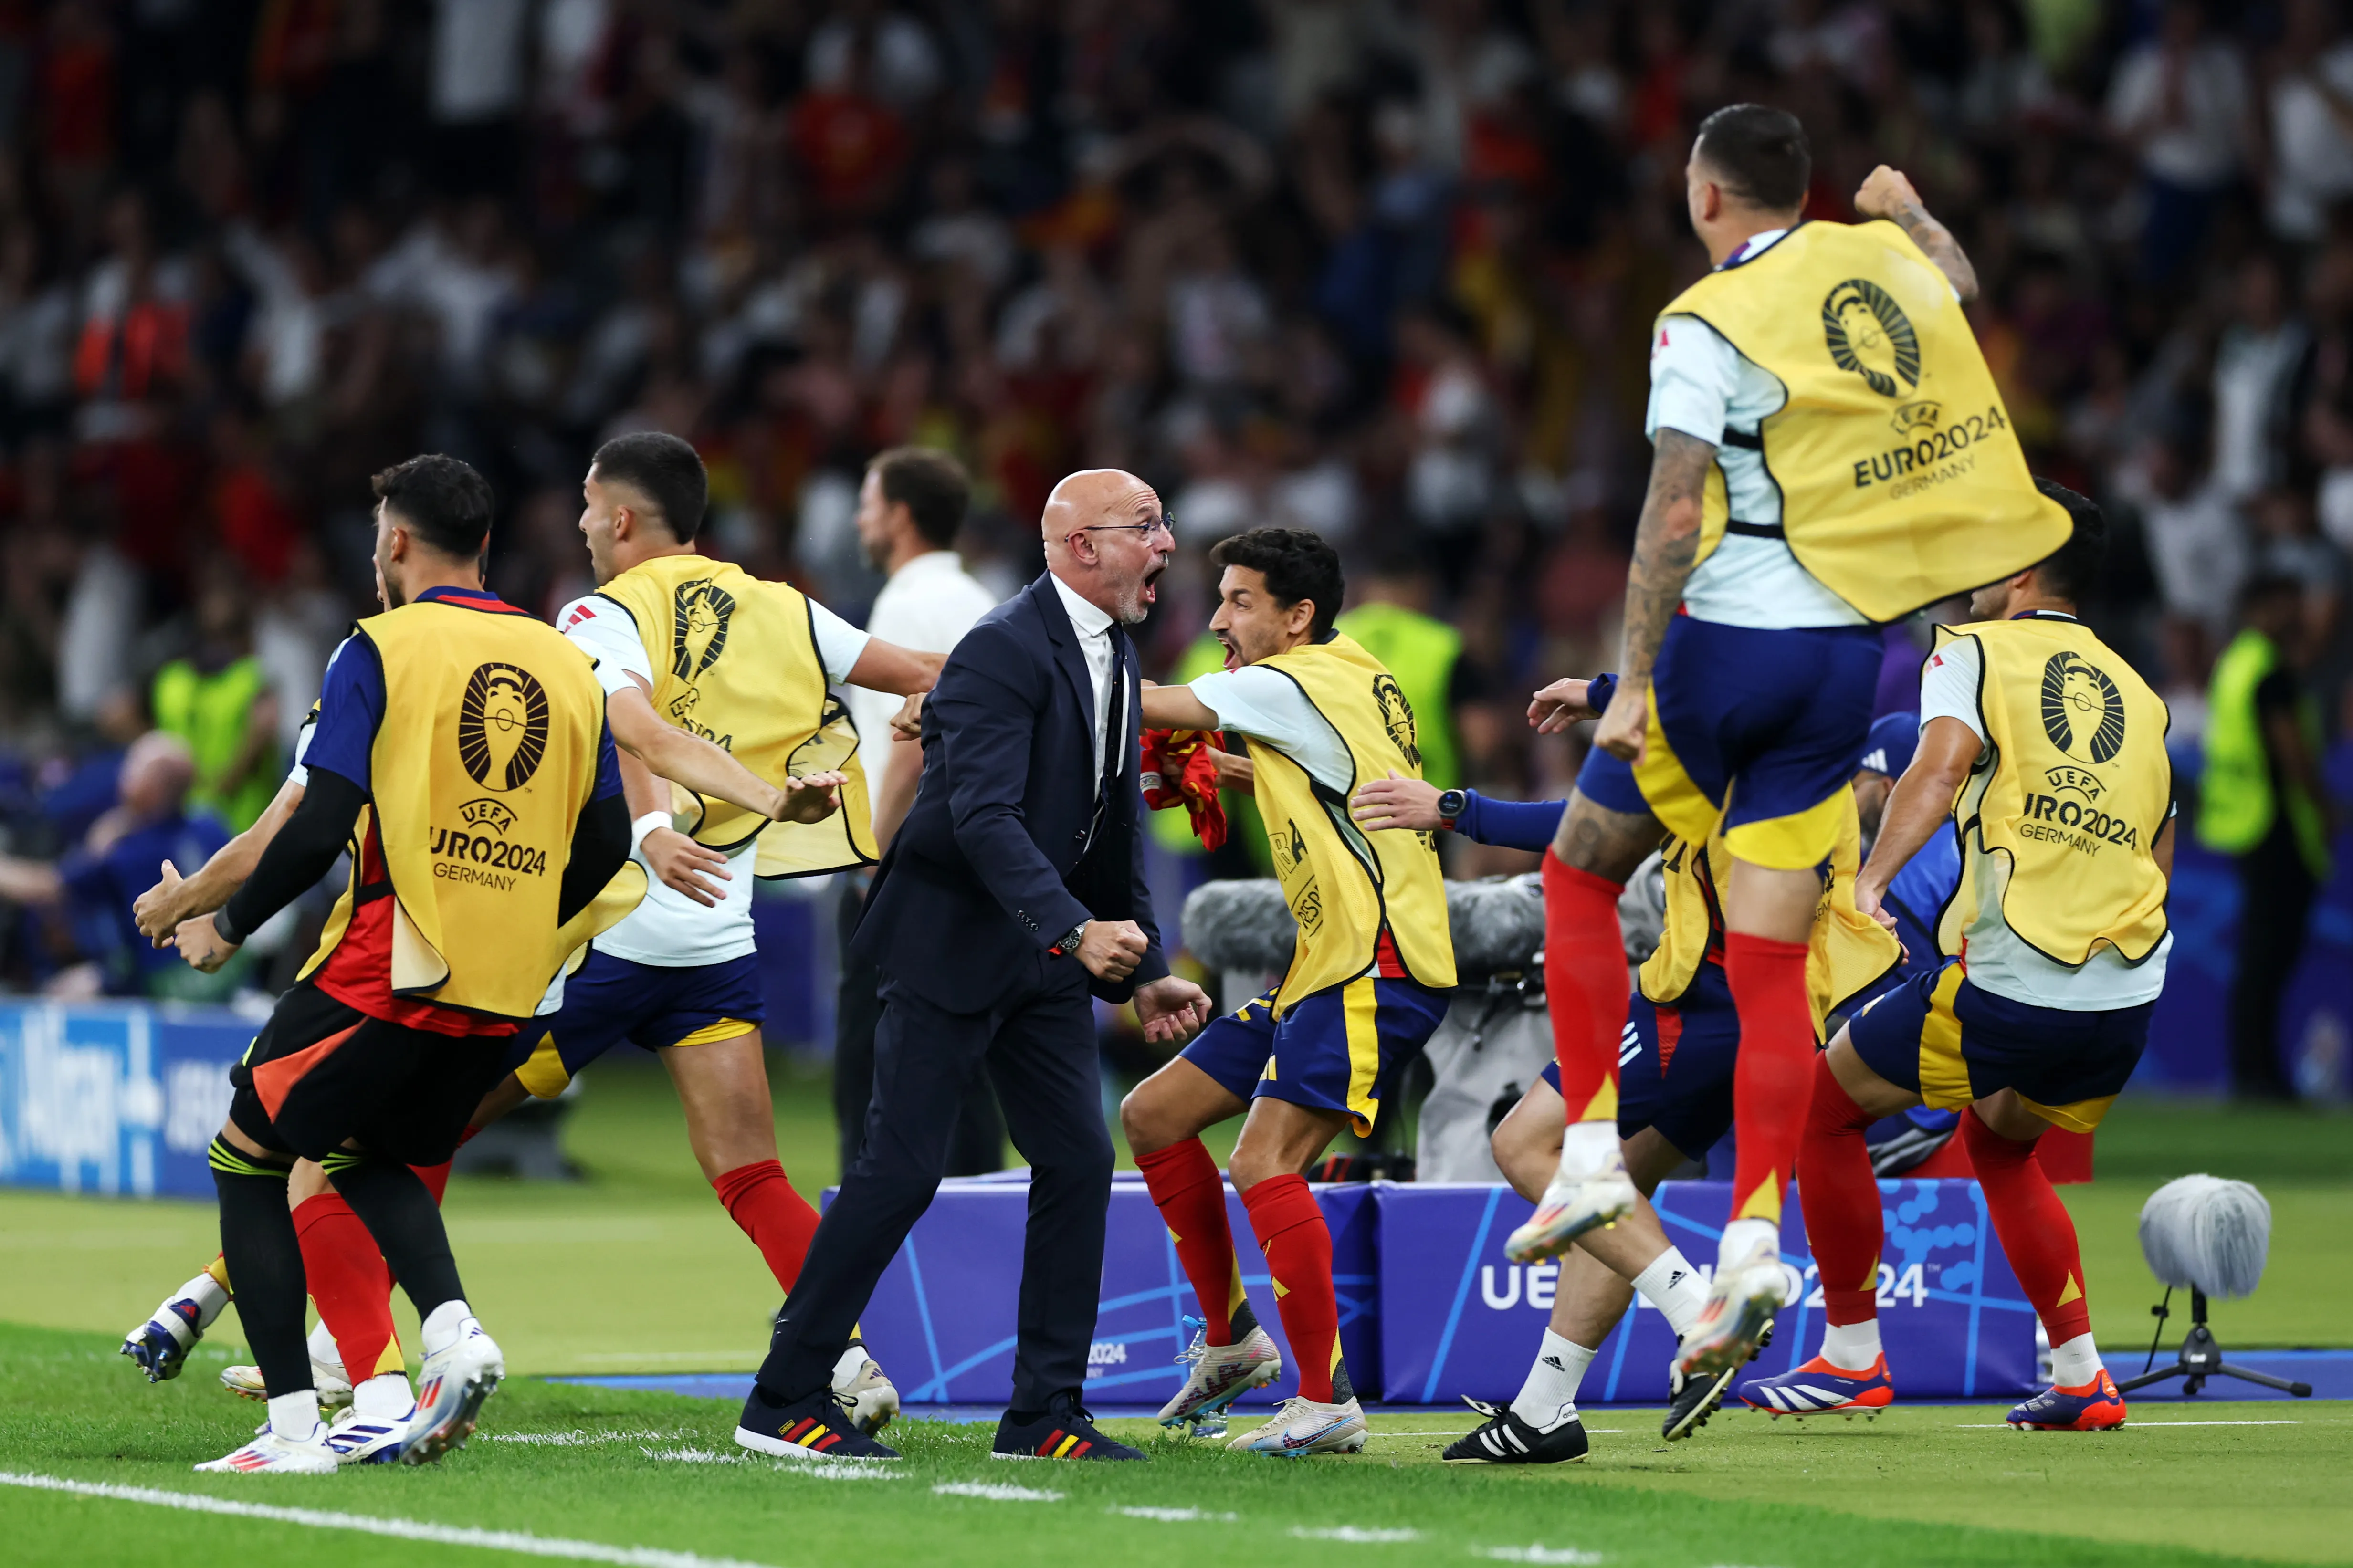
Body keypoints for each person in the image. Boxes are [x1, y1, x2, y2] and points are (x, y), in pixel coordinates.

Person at [120, 433, 940, 1443]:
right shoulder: (782, 603)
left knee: (354, 1140)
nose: (584, 524)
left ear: (623, 518)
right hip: (713, 935)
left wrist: (644, 838)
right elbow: (931, 677)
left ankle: (350, 1359)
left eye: (592, 507)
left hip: (583, 934)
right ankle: (842, 1354)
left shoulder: (589, 618)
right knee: (750, 1170)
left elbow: (634, 734)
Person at [1514, 103, 2071, 1391]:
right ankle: (1757, 1236)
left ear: (1706, 198)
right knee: (1772, 966)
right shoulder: (1871, 263)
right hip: (1838, 660)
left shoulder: (1703, 320)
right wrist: (1909, 209)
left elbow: (1667, 505)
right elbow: (1957, 283)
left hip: (1728, 638)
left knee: (1581, 872)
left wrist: (1634, 678)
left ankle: (1590, 1156)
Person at [164, 454, 636, 1474]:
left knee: (244, 1159)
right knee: (366, 1155)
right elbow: (605, 842)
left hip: (388, 964)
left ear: (394, 543)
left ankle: (296, 1431)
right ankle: (455, 1328)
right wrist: (512, 910)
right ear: (487, 547)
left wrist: (233, 921)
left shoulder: (375, 646)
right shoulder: (565, 662)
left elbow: (318, 820)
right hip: (506, 987)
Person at [733, 468, 1211, 1464]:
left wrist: (1143, 967)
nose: (1166, 544)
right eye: (1146, 527)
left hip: (1039, 953)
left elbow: (1111, 826)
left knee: (1077, 1161)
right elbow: (979, 818)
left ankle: (1042, 1412)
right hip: (949, 941)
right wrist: (1076, 933)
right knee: (900, 1170)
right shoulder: (999, 649)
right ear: (1081, 546)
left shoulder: (1112, 653)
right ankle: (781, 1394)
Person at [1349, 674, 1900, 1460]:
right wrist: (1607, 691)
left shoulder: (1722, 759)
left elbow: (1586, 829)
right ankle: (1544, 1411)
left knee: (1526, 1147)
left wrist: (1449, 807)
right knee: (1618, 1199)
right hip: (1771, 1010)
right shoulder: (1798, 745)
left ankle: (1698, 1311)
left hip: (1698, 1004)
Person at [1741, 484, 2172, 1432]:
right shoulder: (2139, 693)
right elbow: (2158, 840)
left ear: (2020, 569)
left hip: (2017, 976)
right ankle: (2081, 1374)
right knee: (2000, 1141)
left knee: (1820, 1108)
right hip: (2128, 987)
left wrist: (1868, 880)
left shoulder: (1969, 651)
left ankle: (1851, 1355)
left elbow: (1934, 766)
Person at [1126, 527, 1458, 1457]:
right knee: (1154, 1114)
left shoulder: (1282, 681)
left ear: (1295, 614)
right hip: (1330, 962)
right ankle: (1232, 1342)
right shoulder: (1346, 671)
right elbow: (1328, 771)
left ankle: (1326, 1400)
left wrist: (994, 679)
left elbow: (1140, 706)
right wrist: (1233, 766)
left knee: (1264, 1164)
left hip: (1371, 961)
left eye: (1237, 602)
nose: (1219, 620)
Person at [835, 445, 1004, 1181]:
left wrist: (871, 854)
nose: (858, 519)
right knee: (962, 1065)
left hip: (910, 858)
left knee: (870, 1062)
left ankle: (859, 1255)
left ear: (900, 516)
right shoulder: (980, 597)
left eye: (868, 504)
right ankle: (979, 1223)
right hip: (975, 856)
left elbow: (912, 743)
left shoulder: (907, 602)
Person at [2197, 574, 2333, 1099]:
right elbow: (2292, 751)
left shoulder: (2235, 662)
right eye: (2288, 603)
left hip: (2243, 823)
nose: (2296, 615)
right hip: (2273, 825)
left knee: (2259, 957)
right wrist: (2324, 806)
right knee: (2270, 955)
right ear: (2262, 607)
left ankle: (2253, 1070)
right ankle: (2261, 1075)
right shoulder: (2269, 671)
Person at [0, 731, 231, 998]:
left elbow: (44, 887)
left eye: (133, 767)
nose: (123, 774)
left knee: (61, 994)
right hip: (226, 974)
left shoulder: (131, 853)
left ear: (153, 787)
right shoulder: (211, 826)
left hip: (166, 989)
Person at [152, 563, 282, 834]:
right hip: (185, 828)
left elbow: (259, 741)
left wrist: (211, 792)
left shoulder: (254, 680)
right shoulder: (172, 680)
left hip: (242, 830)